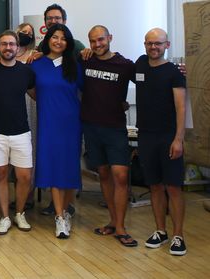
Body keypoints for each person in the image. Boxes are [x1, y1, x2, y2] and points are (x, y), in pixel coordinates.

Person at [78, 25, 138, 247]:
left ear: (110, 38)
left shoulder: (125, 65)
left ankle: (121, 227)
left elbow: (148, 77)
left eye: (101, 40)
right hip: (91, 127)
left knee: (120, 175)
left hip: (115, 129)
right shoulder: (85, 59)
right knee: (103, 174)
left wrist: (177, 70)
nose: (97, 45)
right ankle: (113, 221)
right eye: (93, 41)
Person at [136, 28, 187, 256]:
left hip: (168, 137)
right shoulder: (140, 64)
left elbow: (181, 107)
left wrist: (178, 139)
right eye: (149, 43)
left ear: (167, 45)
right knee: (155, 186)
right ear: (145, 44)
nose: (153, 47)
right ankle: (161, 231)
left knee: (173, 187)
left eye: (158, 44)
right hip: (146, 136)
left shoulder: (174, 73)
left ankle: (178, 235)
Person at [30, 24, 83, 239]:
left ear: (67, 42)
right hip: (48, 122)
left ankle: (66, 209)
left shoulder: (75, 65)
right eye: (54, 37)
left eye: (63, 38)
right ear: (48, 39)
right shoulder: (36, 64)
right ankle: (60, 217)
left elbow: (85, 92)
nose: (58, 41)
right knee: (52, 166)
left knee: (69, 166)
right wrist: (47, 103)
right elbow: (32, 90)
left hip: (71, 123)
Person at [0, 31, 35, 235]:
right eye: (4, 44)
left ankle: (19, 213)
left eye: (12, 44)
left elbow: (34, 93)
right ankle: (4, 217)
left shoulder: (26, 71)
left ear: (17, 46)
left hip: (21, 130)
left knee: (24, 176)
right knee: (0, 174)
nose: (8, 48)